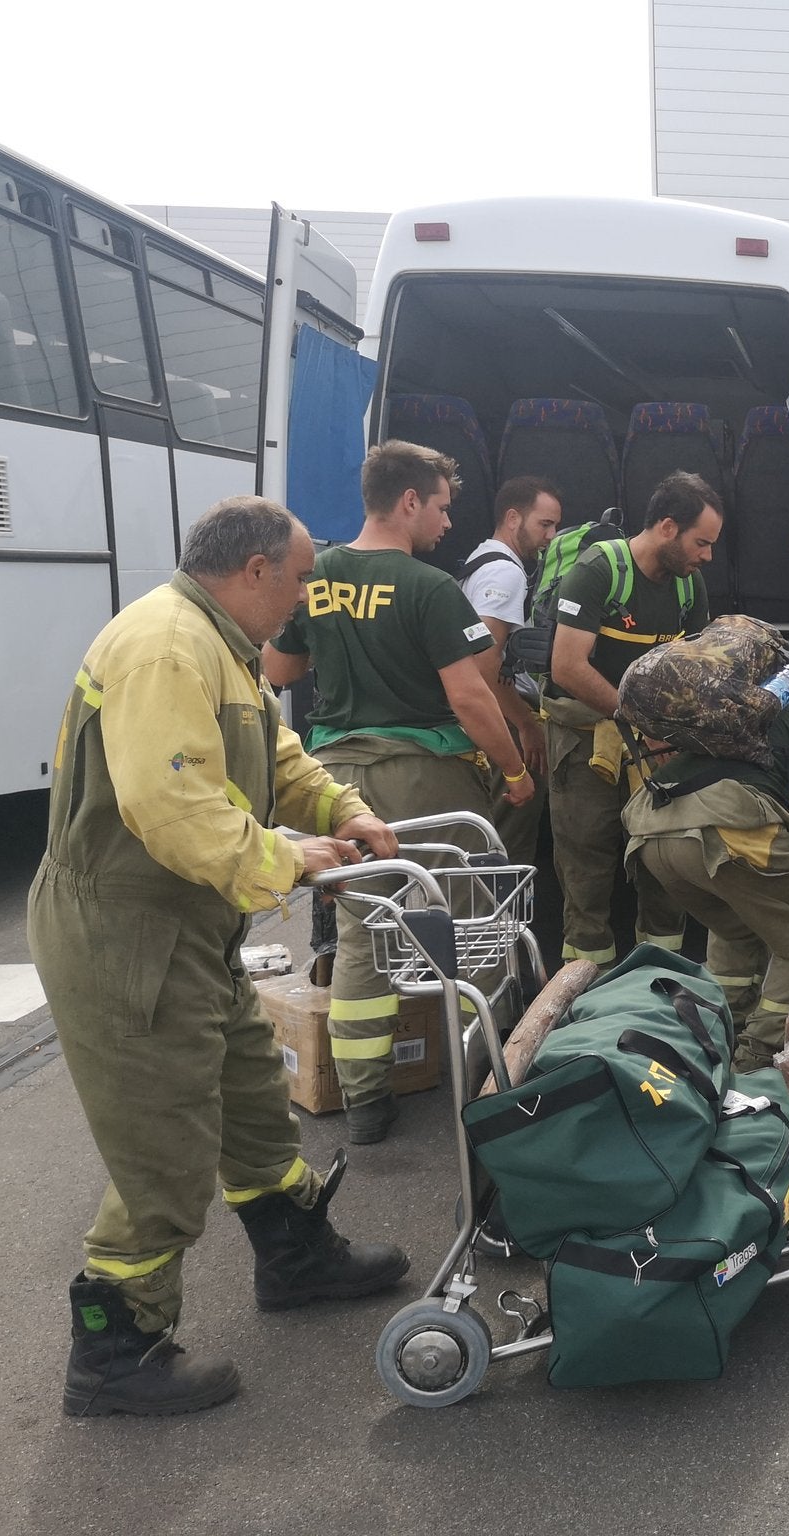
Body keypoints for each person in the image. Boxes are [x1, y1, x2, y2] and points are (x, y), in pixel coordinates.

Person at [33, 497, 409, 1418]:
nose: (308, 596)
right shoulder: (166, 646)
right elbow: (172, 806)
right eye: (303, 577)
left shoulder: (219, 645)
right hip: (125, 931)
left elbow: (271, 750)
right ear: (253, 570)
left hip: (186, 925)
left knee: (250, 1096)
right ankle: (116, 1345)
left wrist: (338, 808)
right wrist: (288, 857)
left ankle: (294, 1256)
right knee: (163, 1145)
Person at [265, 442, 533, 1144]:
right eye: (442, 506)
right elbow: (472, 698)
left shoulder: (314, 575)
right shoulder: (428, 587)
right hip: (423, 773)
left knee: (362, 935)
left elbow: (280, 666)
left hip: (334, 778)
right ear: (410, 501)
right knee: (472, 923)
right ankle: (483, 1081)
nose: (447, 523)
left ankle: (365, 1103)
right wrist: (514, 770)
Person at [544, 471, 718, 966]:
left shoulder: (689, 587)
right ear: (667, 527)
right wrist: (637, 720)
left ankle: (659, 987)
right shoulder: (599, 570)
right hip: (583, 743)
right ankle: (583, 992)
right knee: (586, 870)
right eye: (700, 542)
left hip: (656, 746)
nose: (707, 555)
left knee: (665, 870)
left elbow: (693, 670)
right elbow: (567, 667)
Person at [625, 695, 789, 1074]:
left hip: (652, 828)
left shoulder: (727, 704)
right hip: (724, 823)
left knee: (738, 927)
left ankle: (714, 1035)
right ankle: (759, 1058)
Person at [457, 475, 562, 865]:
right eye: (544, 525)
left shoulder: (478, 561)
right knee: (509, 847)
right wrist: (526, 724)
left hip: (486, 718)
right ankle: (501, 923)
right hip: (504, 720)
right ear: (514, 518)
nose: (551, 537)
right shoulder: (506, 573)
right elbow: (486, 664)